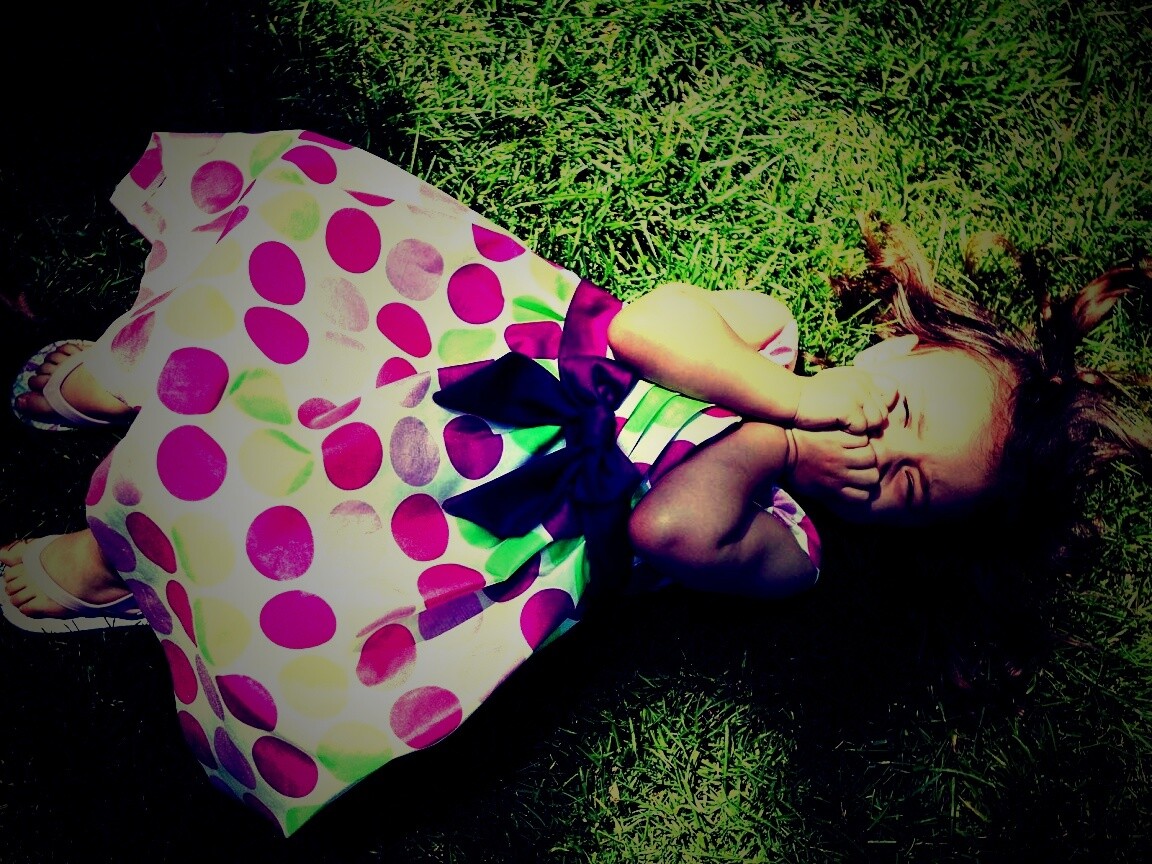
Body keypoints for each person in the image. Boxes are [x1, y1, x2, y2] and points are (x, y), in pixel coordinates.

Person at [1, 130, 1147, 836]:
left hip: (467, 528)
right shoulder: (769, 340)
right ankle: (131, 365)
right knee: (276, 299)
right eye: (898, 412)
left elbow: (672, 529)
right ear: (897, 346)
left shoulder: (790, 544)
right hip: (453, 349)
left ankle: (117, 563)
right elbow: (646, 328)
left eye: (906, 488)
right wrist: (782, 395)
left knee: (263, 520)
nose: (875, 450)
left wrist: (782, 448)